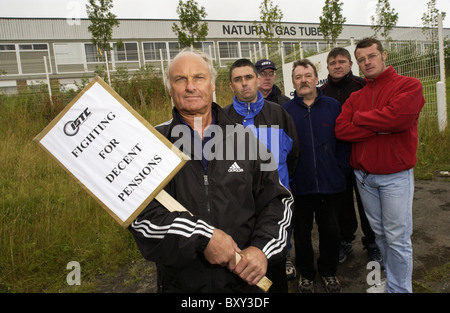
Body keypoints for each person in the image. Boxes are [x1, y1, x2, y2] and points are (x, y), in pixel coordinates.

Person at [128, 47, 293, 293]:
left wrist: (261, 250)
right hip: (182, 286)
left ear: (212, 84)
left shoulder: (245, 141)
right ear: (170, 89)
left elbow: (277, 201)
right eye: (180, 79)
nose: (190, 86)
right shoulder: (154, 144)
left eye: (198, 77)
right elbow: (141, 217)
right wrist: (202, 238)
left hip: (243, 287)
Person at [335, 37, 425, 293]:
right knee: (381, 235)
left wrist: (361, 119)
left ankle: (400, 289)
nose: (366, 63)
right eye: (362, 59)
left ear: (384, 55)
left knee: (397, 238)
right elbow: (342, 129)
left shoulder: (409, 86)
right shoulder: (356, 96)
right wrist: (378, 129)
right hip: (364, 178)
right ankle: (392, 282)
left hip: (395, 177)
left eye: (371, 56)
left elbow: (398, 119)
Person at [223, 58, 300, 291]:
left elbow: (294, 155)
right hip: (238, 212)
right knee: (242, 277)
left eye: (248, 77)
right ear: (231, 86)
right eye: (238, 79)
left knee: (274, 275)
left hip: (273, 209)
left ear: (257, 80)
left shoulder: (279, 114)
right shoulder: (222, 121)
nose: (244, 84)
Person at [282, 59, 347, 293]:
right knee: (301, 235)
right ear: (293, 82)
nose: (303, 80)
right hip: (300, 186)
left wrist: (339, 169)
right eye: (298, 77)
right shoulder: (286, 111)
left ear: (316, 77)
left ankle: (329, 272)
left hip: (331, 184)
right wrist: (288, 179)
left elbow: (343, 142)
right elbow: (283, 149)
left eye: (307, 75)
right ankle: (306, 274)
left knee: (331, 232)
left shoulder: (332, 106)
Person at [321, 47, 382, 266]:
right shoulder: (322, 92)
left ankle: (373, 242)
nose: (337, 66)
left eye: (341, 61)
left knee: (369, 205)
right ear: (327, 67)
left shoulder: (363, 86)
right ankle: (345, 240)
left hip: (362, 155)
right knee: (342, 203)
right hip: (336, 159)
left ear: (350, 64)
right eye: (332, 62)